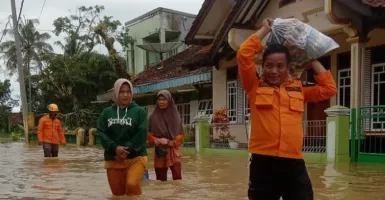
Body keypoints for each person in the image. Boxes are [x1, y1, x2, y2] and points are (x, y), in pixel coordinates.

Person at [237, 19, 337, 200]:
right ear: (263, 67)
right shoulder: (254, 87)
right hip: (263, 163)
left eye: (279, 66)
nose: (274, 71)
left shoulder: (298, 89)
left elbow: (329, 89)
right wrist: (265, 29)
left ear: (287, 67)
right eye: (269, 65)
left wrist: (311, 57)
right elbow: (244, 54)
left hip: (293, 162)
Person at [97, 78, 148, 197]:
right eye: (121, 92)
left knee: (132, 185)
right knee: (117, 194)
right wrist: (115, 148)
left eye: (128, 92)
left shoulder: (139, 112)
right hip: (113, 158)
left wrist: (126, 149)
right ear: (115, 93)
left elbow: (142, 133)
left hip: (136, 157)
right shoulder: (106, 113)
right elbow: (101, 132)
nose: (125, 95)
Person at [148, 90, 184, 181]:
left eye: (164, 99)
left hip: (173, 150)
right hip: (160, 150)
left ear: (169, 100)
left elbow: (180, 133)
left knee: (177, 179)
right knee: (160, 180)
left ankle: (175, 196)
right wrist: (155, 140)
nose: (161, 102)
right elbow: (147, 133)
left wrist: (170, 142)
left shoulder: (175, 115)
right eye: (159, 99)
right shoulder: (152, 116)